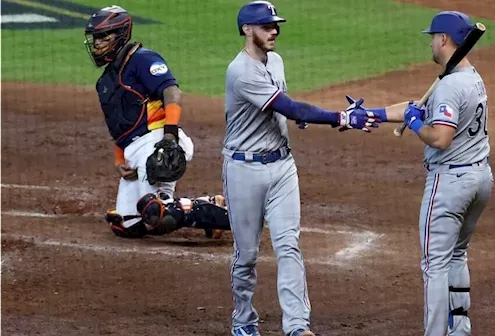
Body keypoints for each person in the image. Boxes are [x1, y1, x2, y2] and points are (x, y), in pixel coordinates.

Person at [222, 2, 382, 336]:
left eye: (275, 25)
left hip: (282, 166)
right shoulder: (240, 72)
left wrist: (298, 119)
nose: (274, 31)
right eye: (266, 26)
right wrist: (338, 117)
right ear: (247, 30)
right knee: (247, 256)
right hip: (244, 170)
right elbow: (289, 105)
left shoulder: (276, 61)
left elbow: (284, 106)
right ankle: (243, 320)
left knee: (289, 245)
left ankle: (297, 326)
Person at [355, 10, 494, 336]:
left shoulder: (448, 87)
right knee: (457, 255)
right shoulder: (471, 77)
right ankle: (459, 330)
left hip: (450, 185)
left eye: (433, 37)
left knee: (434, 266)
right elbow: (415, 106)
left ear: (444, 39)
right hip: (480, 180)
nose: (431, 42)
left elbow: (440, 138)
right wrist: (370, 113)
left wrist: (416, 124)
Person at [84, 5, 228, 239]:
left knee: (157, 213)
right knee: (127, 225)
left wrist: (169, 137)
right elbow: (118, 125)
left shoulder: (142, 59)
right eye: (95, 38)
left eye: (103, 37)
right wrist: (120, 159)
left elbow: (171, 91)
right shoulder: (105, 83)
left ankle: (234, 219)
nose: (97, 43)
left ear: (120, 35)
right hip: (135, 152)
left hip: (158, 141)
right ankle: (205, 204)